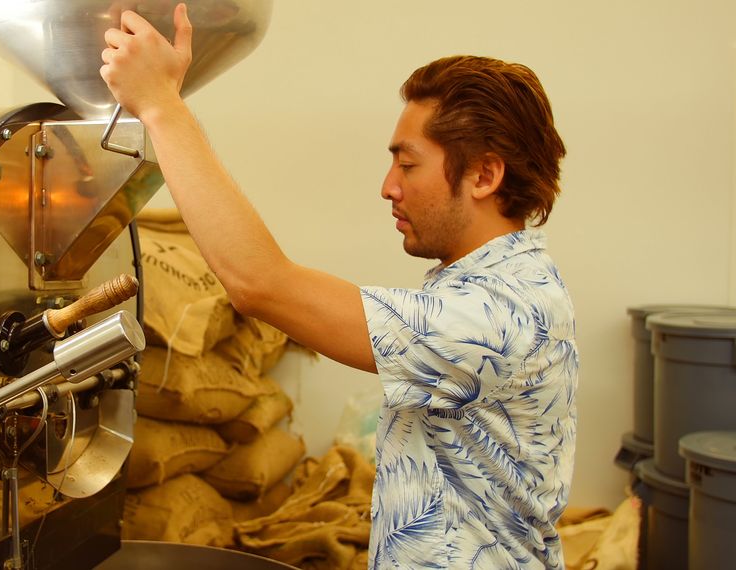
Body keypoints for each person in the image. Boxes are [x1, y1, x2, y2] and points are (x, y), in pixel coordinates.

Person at [101, 4, 578, 569]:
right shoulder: (488, 285)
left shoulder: (504, 314)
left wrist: (160, 105)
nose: (387, 186)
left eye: (408, 165)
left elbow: (260, 284)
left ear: (484, 175)